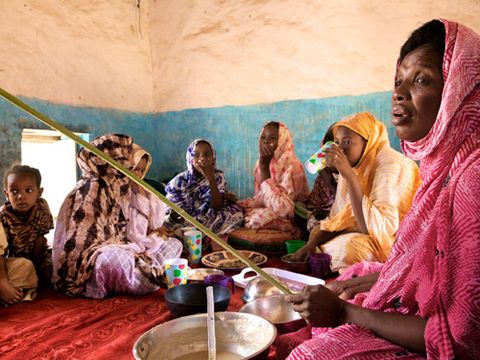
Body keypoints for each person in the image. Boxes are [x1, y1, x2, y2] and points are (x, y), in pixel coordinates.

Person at [278, 19, 480, 359]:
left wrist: (346, 312)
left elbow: (461, 340)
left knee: (309, 352)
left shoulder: (463, 178)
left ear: (457, 91)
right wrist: (375, 282)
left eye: (421, 80)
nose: (399, 93)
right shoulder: (439, 165)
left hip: (446, 336)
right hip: (399, 269)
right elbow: (341, 220)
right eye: (398, 80)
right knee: (353, 278)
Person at [52, 134, 183, 298]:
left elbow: (152, 226)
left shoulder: (127, 188)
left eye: (141, 170)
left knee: (174, 244)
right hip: (104, 252)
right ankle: (144, 279)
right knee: (113, 259)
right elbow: (80, 244)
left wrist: (142, 194)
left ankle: (144, 275)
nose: (137, 174)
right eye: (132, 168)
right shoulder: (90, 189)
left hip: (135, 247)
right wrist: (131, 247)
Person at [292, 112, 420, 272]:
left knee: (351, 248)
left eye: (347, 142)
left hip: (395, 243)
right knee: (318, 234)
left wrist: (349, 176)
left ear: (369, 141)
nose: (340, 149)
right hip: (361, 233)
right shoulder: (356, 166)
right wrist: (311, 245)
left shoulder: (392, 164)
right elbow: (338, 221)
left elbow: (376, 230)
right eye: (337, 142)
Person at [239, 121, 309, 235]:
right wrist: (243, 204)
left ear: (282, 141)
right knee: (237, 210)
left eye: (272, 138)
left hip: (294, 215)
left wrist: (265, 168)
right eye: (263, 137)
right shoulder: (259, 164)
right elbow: (261, 198)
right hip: (271, 209)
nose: (266, 141)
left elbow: (284, 210)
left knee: (256, 220)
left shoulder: (292, 166)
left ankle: (295, 231)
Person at [165, 139, 243, 235]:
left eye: (207, 155)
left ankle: (196, 234)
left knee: (236, 211)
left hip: (206, 218)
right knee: (170, 224)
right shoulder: (179, 182)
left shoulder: (217, 177)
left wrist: (211, 179)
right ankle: (196, 234)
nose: (202, 159)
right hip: (186, 220)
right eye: (196, 155)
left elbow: (217, 206)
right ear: (190, 159)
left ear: (213, 158)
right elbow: (172, 210)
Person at [0, 165, 53, 306]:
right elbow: (3, 251)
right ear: (6, 194)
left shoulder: (42, 208)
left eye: (28, 190)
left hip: (39, 254)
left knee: (56, 270)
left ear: (39, 192)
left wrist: (36, 265)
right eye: (14, 191)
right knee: (25, 268)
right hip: (13, 257)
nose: (21, 196)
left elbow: (40, 239)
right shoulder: (3, 216)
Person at [303, 123, 338, 232]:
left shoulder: (352, 173)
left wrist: (330, 183)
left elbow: (348, 204)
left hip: (343, 217)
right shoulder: (324, 172)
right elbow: (317, 206)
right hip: (324, 217)